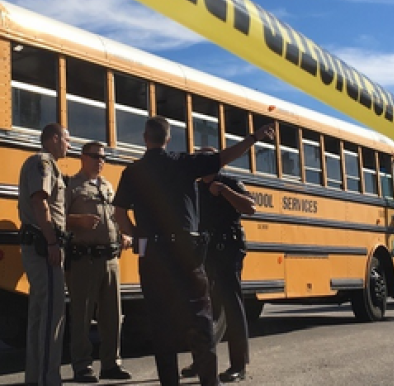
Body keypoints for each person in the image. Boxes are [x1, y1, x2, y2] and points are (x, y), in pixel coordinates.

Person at [113, 116, 274, 386]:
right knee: (200, 317)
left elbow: (119, 214)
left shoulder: (132, 172)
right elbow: (226, 156)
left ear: (145, 138)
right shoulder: (184, 163)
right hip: (186, 251)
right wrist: (254, 138)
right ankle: (209, 381)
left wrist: (138, 233)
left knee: (160, 319)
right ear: (168, 138)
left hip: (152, 253)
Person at [182, 147, 257, 383]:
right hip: (204, 251)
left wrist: (224, 191)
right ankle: (202, 361)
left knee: (231, 306)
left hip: (228, 250)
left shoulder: (230, 182)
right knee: (203, 309)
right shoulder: (195, 187)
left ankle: (238, 365)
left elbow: (250, 208)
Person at [64, 141, 133, 383]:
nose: (100, 160)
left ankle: (111, 364)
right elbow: (57, 218)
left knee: (113, 316)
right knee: (81, 315)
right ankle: (82, 366)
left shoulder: (107, 186)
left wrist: (124, 234)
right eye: (94, 156)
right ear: (82, 158)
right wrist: (77, 221)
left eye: (103, 157)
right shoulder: (71, 186)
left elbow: (114, 216)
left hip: (110, 258)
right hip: (85, 258)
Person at [18, 123, 70, 386]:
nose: (68, 145)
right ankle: (49, 379)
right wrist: (52, 242)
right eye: (66, 139)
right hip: (43, 247)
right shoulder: (43, 162)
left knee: (40, 315)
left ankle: (36, 377)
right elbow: (40, 201)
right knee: (52, 314)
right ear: (53, 138)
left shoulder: (44, 163)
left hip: (39, 244)